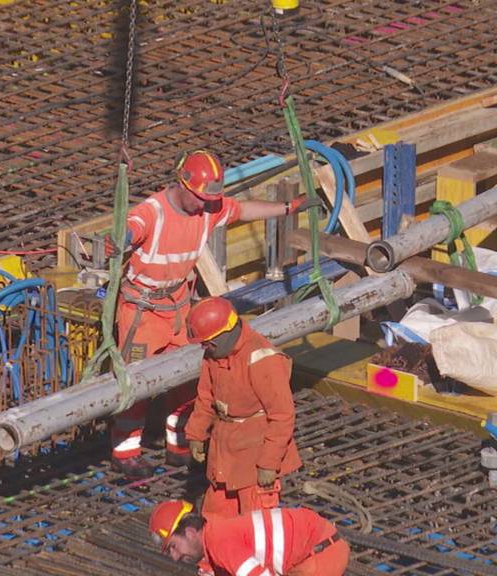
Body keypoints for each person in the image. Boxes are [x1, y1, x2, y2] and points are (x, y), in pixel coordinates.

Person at [105, 149, 317, 479]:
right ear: (182, 186)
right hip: (142, 313)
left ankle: (178, 444)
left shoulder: (207, 209)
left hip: (177, 308)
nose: (205, 205)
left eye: (209, 199)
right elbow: (130, 228)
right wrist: (120, 239)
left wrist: (288, 208)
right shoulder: (154, 212)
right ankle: (125, 452)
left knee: (188, 378)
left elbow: (244, 209)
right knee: (137, 384)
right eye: (200, 198)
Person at [184, 297, 301, 520]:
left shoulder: (261, 359)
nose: (204, 348)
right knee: (214, 521)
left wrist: (268, 463)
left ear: (224, 335)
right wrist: (196, 434)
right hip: (225, 451)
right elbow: (206, 397)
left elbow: (282, 415)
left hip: (255, 454)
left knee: (256, 525)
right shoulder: (214, 354)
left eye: (207, 343)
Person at [150, 500, 350, 576]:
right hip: (319, 549)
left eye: (174, 547)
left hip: (320, 555)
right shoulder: (213, 531)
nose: (175, 557)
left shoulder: (219, 542)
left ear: (190, 532)